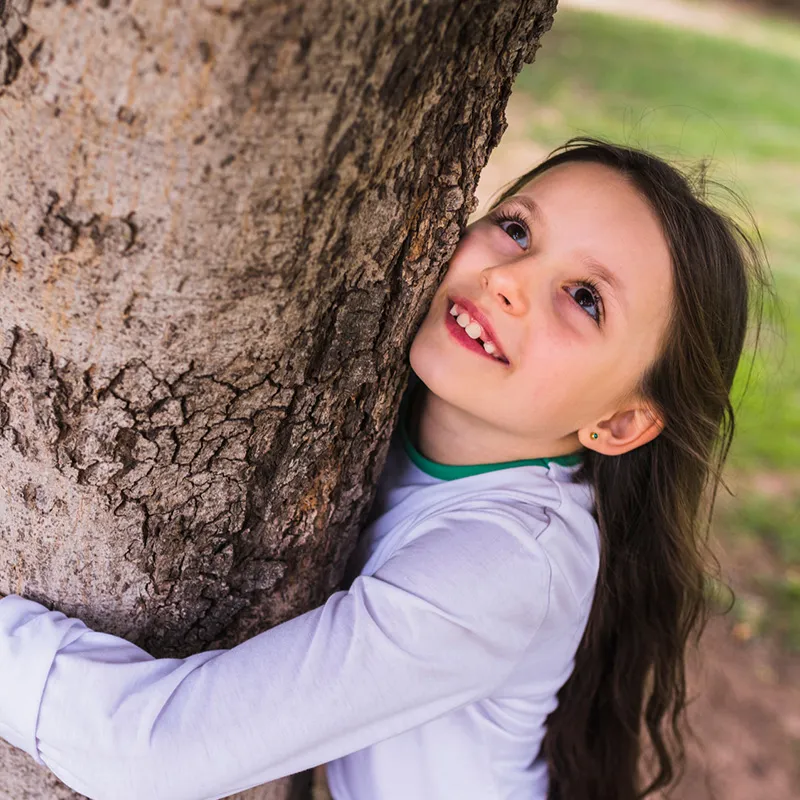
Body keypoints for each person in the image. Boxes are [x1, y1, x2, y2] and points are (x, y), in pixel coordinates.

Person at [0, 138, 772, 800]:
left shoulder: (507, 564)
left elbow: (153, 750)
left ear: (619, 423)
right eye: (515, 228)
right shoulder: (401, 410)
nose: (510, 279)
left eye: (584, 298)